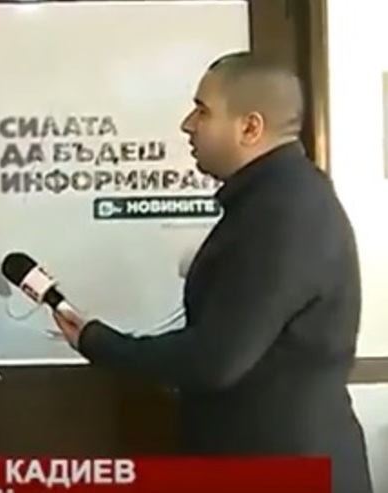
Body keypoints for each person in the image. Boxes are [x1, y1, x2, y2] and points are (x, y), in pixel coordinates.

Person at [51, 52, 372, 493]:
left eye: (202, 111)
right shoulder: (275, 201)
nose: (187, 125)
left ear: (250, 128)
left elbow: (215, 359)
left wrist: (101, 343)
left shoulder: (284, 212)